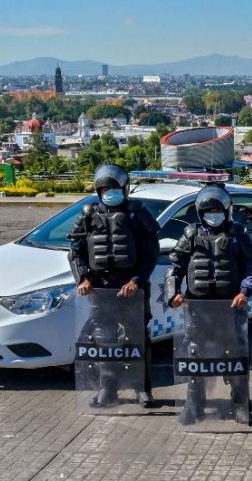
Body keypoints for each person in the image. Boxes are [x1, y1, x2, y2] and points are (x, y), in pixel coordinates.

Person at [68, 163, 161, 408]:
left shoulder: (137, 213)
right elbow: (75, 252)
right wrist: (83, 278)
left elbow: (151, 254)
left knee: (137, 340)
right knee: (104, 341)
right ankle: (107, 390)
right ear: (98, 190)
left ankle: (142, 390)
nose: (110, 192)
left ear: (124, 188)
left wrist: (136, 280)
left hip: (132, 289)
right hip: (100, 290)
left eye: (114, 187)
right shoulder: (88, 215)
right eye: (105, 188)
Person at [165, 184, 252, 425]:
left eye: (217, 210)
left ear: (226, 210)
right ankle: (194, 404)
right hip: (198, 308)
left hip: (231, 307)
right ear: (200, 212)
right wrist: (173, 292)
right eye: (208, 211)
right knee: (195, 355)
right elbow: (174, 267)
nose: (212, 215)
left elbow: (251, 266)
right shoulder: (191, 235)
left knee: (235, 354)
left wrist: (245, 290)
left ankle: (241, 404)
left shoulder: (237, 234)